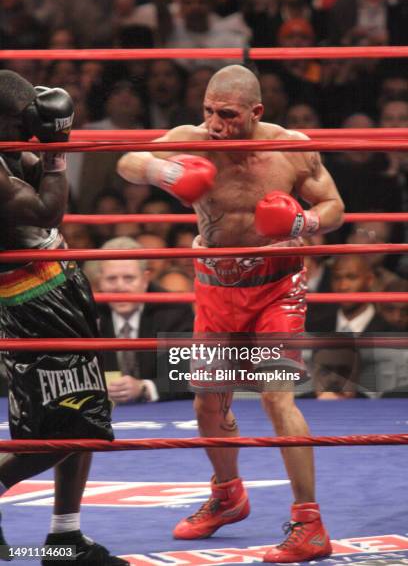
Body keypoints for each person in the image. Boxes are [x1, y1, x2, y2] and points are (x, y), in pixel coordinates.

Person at [117, 64, 345, 563]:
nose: (215, 124)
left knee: (275, 396)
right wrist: (164, 171)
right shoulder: (190, 139)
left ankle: (309, 523)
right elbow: (127, 162)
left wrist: (303, 220)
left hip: (276, 284)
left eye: (227, 114)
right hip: (217, 284)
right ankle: (228, 495)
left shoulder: (290, 146)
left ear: (256, 112)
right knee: (206, 404)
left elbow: (334, 205)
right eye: (208, 112)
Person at [0, 70, 128, 566]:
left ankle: (65, 537)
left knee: (83, 412)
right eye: (23, 119)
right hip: (36, 302)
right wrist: (58, 151)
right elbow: (49, 209)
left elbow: (42, 187)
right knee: (71, 425)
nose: (32, 124)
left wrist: (45, 147)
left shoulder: (13, 149)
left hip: (57, 287)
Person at [96, 237, 194, 403]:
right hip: (105, 411)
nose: (120, 287)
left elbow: (186, 376)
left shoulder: (173, 310)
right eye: (111, 279)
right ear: (100, 281)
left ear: (145, 279)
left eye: (129, 278)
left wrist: (144, 387)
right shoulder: (89, 312)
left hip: (163, 412)